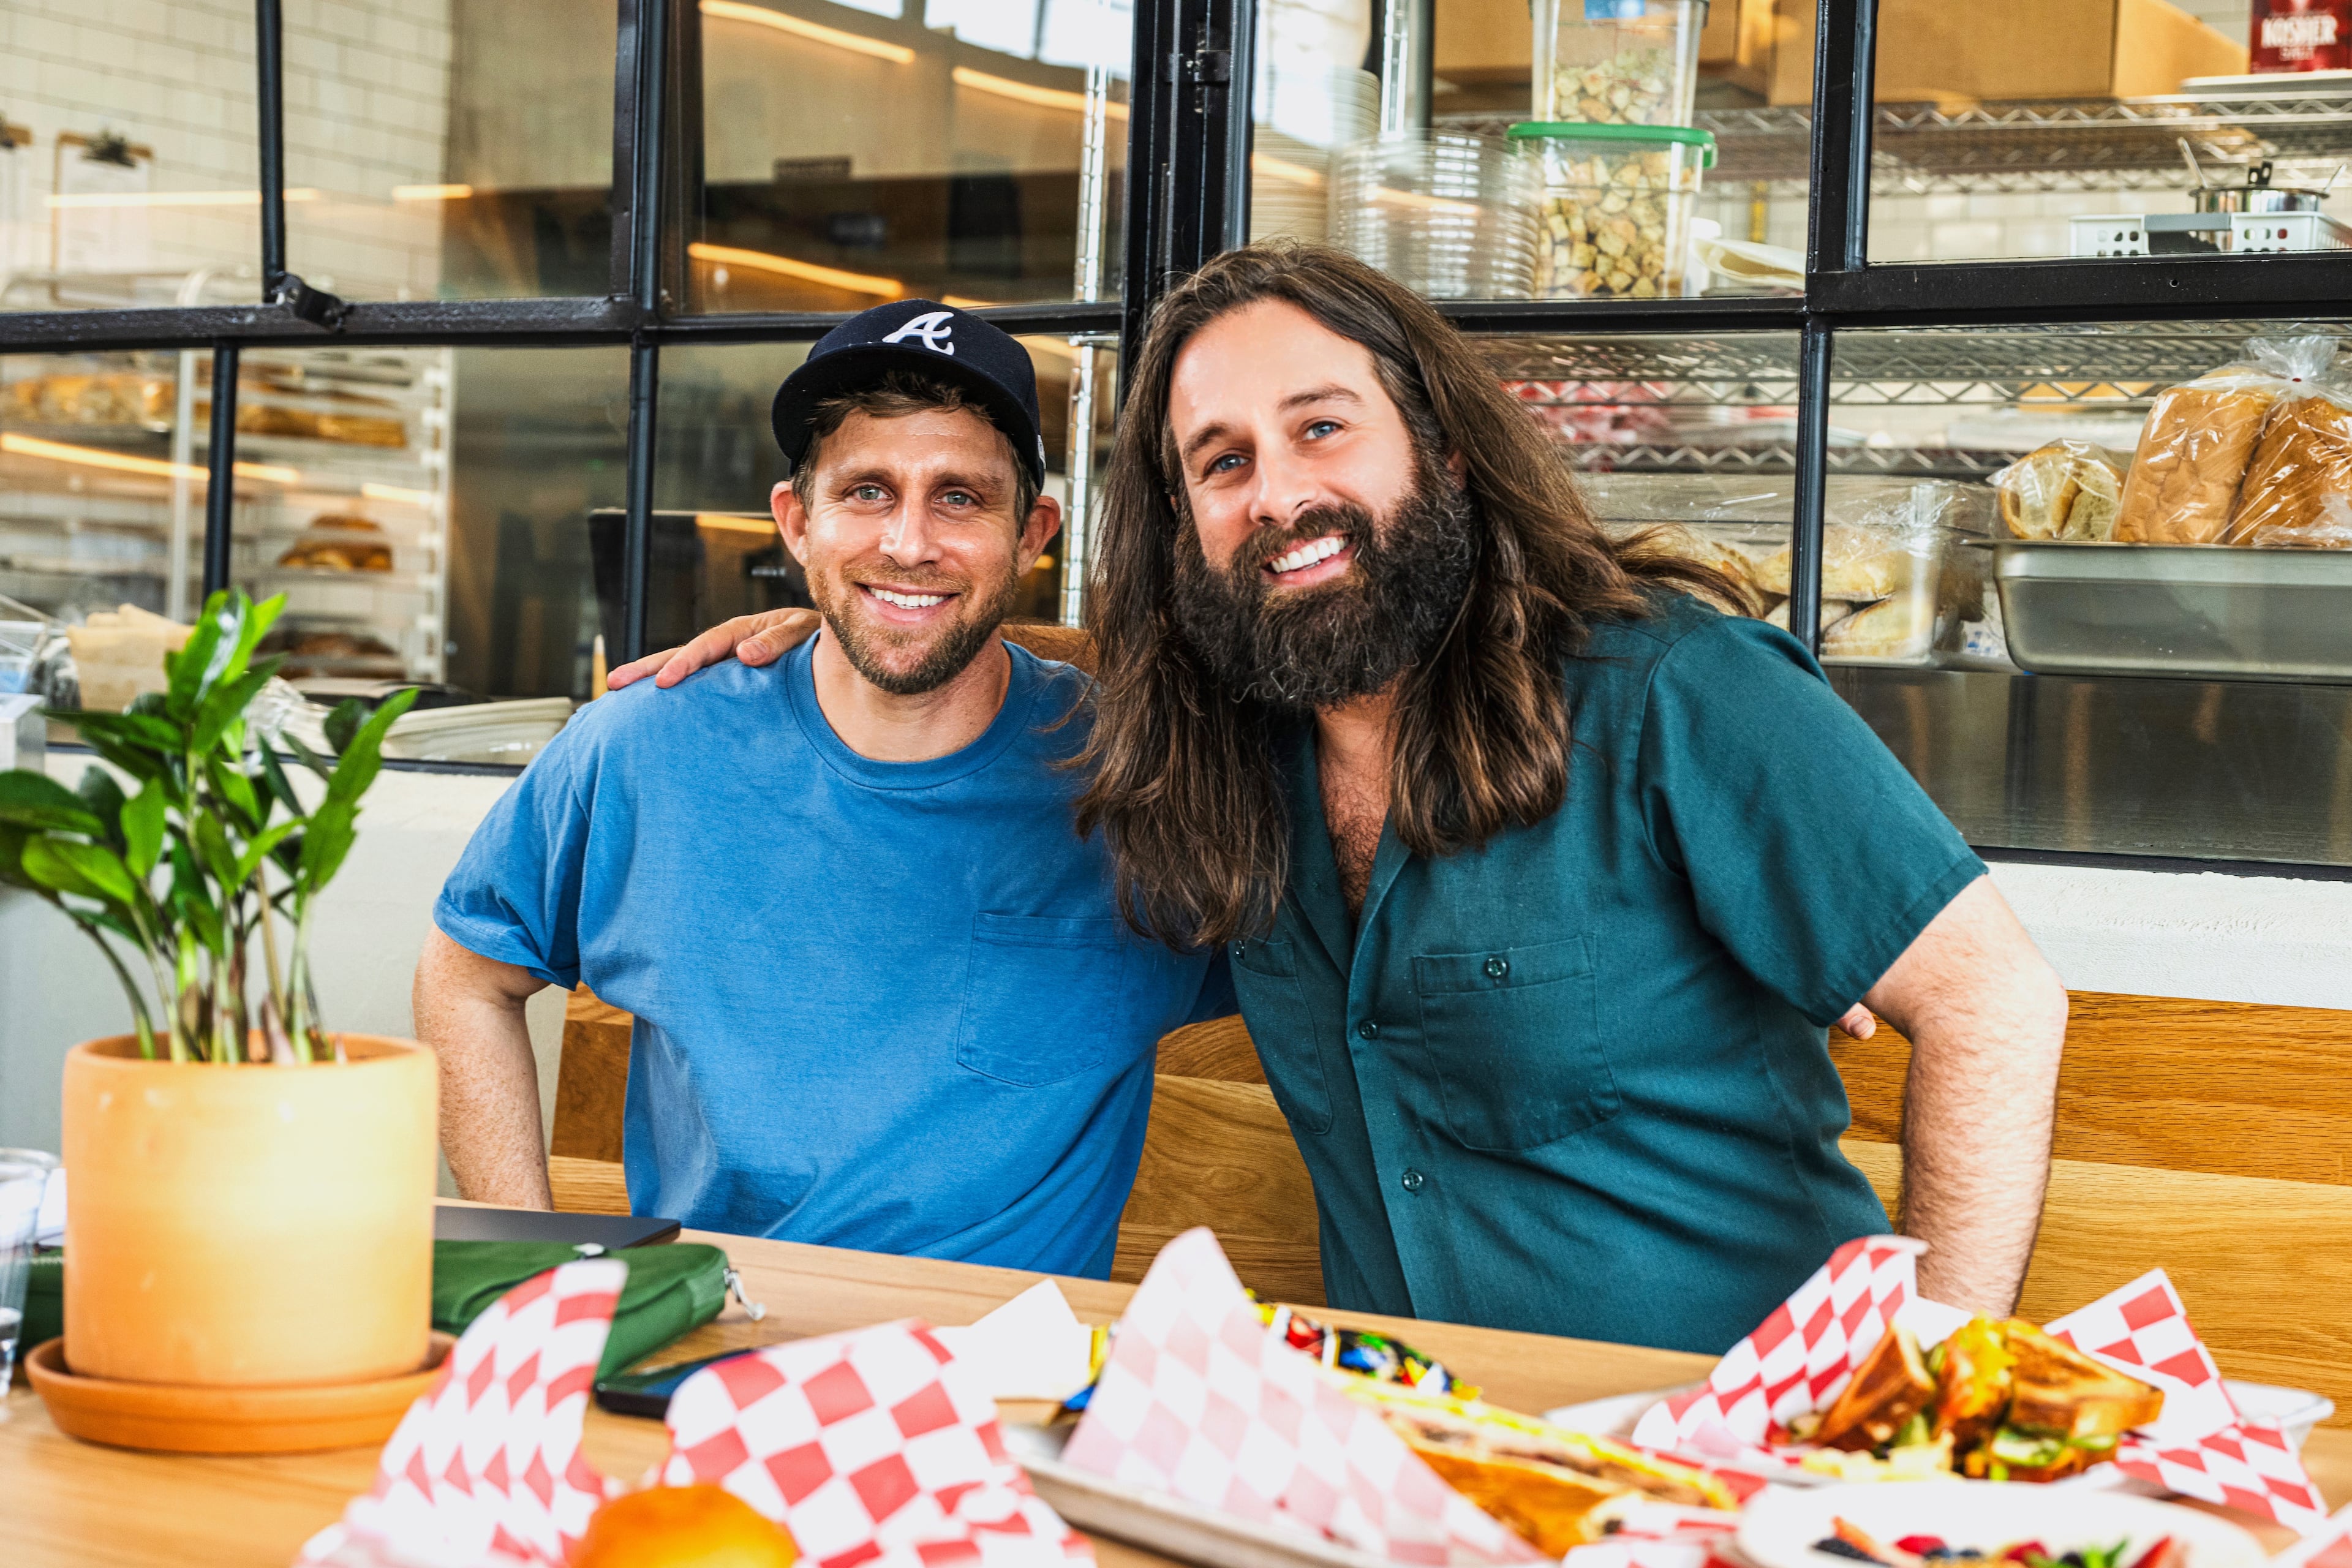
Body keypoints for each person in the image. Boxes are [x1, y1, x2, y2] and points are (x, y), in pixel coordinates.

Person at [609, 246, 2068, 1355]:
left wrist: (1919, 1398)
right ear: (1184, 524)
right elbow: (1112, 642)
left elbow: (1996, 1000)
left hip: (1740, 1449)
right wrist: (877, 619)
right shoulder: (1228, 753)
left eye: (1323, 429)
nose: (1279, 495)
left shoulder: (1676, 691)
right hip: (1410, 1455)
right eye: (1221, 462)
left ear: (1434, 440)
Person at [417, 299, 1228, 1276]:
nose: (909, 542)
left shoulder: (1147, 775)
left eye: (962, 497)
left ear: (1033, 535)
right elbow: (466, 971)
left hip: (1008, 1379)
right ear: (797, 523)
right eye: (868, 493)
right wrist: (537, 1267)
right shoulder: (645, 744)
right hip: (710, 1346)